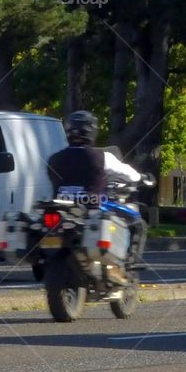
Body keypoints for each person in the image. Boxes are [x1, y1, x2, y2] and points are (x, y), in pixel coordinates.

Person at [46, 111, 148, 283]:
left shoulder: (54, 159)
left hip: (61, 209)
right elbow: (129, 174)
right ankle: (124, 267)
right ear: (92, 131)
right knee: (137, 222)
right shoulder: (103, 157)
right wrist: (142, 178)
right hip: (93, 207)